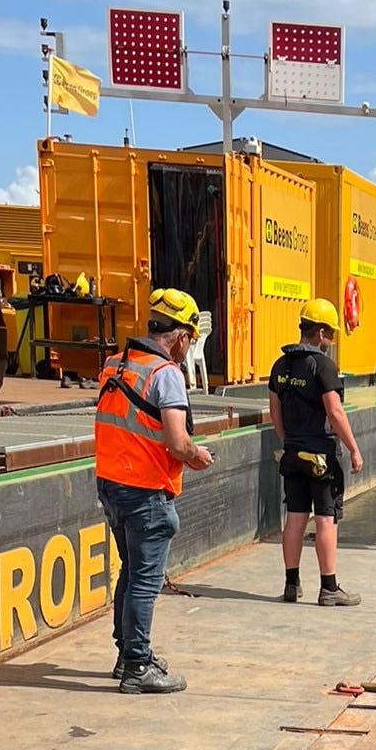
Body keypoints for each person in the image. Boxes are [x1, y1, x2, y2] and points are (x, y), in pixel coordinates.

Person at [94, 287, 213, 695]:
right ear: (180, 336)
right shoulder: (167, 375)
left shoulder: (116, 364)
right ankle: (138, 667)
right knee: (146, 580)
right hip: (145, 490)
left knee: (130, 571)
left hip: (111, 484)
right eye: (191, 340)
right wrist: (197, 456)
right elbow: (178, 443)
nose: (188, 348)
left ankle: (128, 653)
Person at [269, 297, 365, 607]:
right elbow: (335, 412)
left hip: (293, 454)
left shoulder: (280, 365)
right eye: (332, 334)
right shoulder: (323, 365)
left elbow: (275, 410)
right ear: (321, 332)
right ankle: (329, 588)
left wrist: (289, 441)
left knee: (295, 517)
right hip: (322, 455)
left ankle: (291, 584)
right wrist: (354, 449)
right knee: (325, 519)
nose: (331, 341)